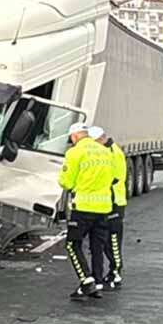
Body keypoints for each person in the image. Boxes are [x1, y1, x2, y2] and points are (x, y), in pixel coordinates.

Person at [59, 123, 114, 300]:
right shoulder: (106, 152)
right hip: (104, 207)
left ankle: (87, 281)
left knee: (72, 245)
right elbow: (113, 178)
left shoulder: (74, 153)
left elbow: (66, 182)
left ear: (74, 136)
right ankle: (95, 282)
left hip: (83, 207)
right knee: (96, 246)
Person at [96, 128, 126, 291]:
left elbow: (114, 178)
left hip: (115, 202)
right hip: (110, 201)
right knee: (108, 240)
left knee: (113, 241)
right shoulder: (110, 150)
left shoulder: (113, 153)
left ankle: (116, 273)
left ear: (100, 139)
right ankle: (112, 272)